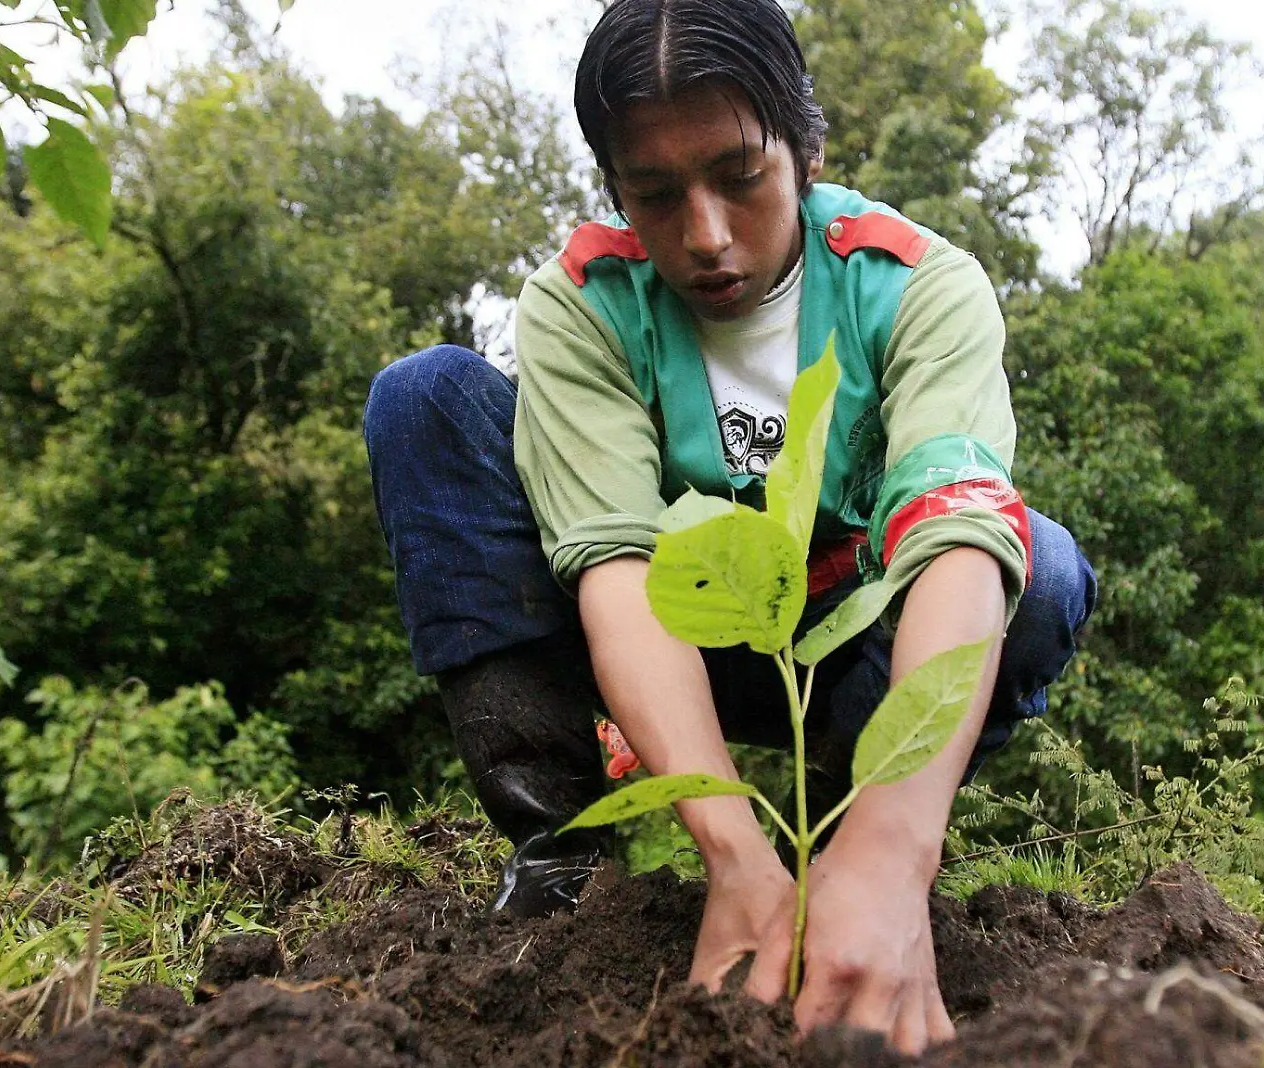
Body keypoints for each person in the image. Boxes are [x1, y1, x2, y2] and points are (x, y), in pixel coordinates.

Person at [363, 0, 1096, 1054]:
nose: (705, 236)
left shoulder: (915, 285)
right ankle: (566, 861)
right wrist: (730, 850)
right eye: (656, 196)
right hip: (663, 638)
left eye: (740, 178)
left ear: (806, 150)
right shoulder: (582, 304)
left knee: (1041, 567)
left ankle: (849, 862)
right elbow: (615, 567)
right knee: (425, 396)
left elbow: (957, 536)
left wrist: (894, 853)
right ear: (614, 189)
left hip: (849, 645)